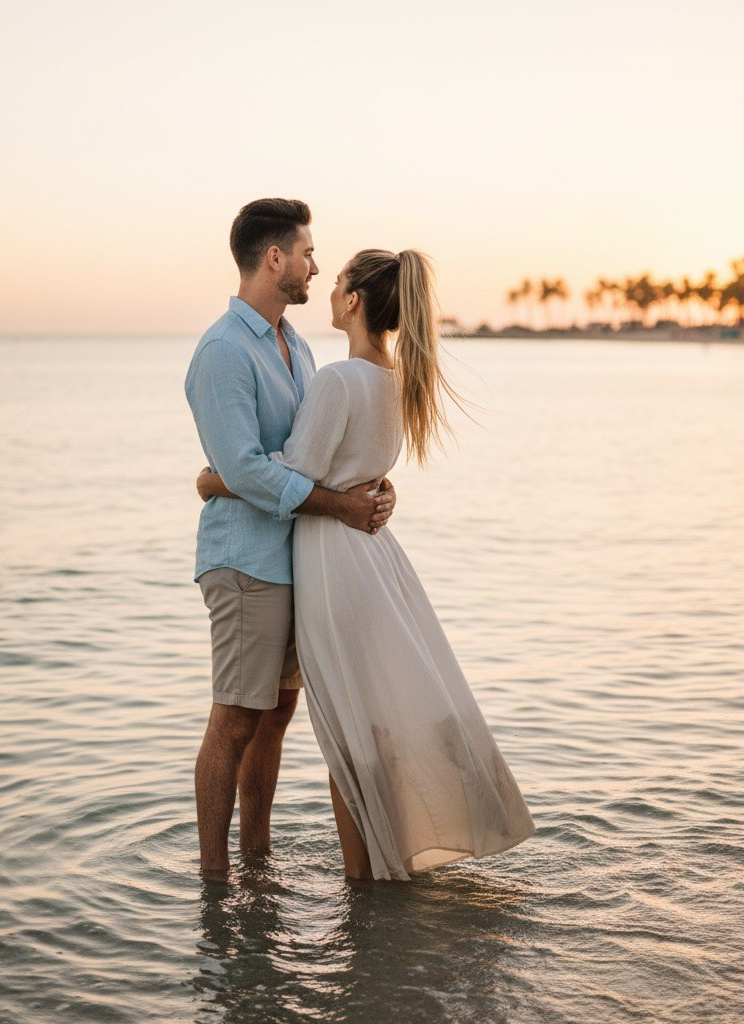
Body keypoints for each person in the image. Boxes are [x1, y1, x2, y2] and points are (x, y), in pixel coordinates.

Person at [197, 248, 538, 881]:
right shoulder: (393, 377)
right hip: (373, 558)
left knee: (346, 728)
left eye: (340, 279)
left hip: (333, 560)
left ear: (353, 301)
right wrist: (378, 493)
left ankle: (362, 879)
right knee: (368, 719)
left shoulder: (337, 378)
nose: (326, 283)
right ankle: (379, 868)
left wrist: (217, 482)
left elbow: (294, 472)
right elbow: (368, 472)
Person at [184, 199, 397, 881]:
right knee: (236, 718)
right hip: (246, 559)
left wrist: (375, 489)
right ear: (273, 258)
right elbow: (244, 466)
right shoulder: (223, 349)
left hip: (299, 559)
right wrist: (340, 505)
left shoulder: (298, 347)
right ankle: (215, 879)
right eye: (307, 253)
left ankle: (257, 856)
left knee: (275, 716)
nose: (315, 266)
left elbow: (323, 451)